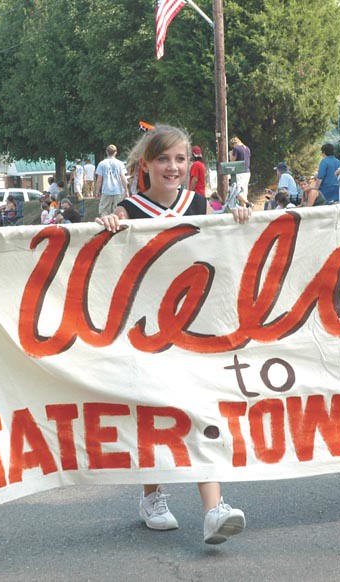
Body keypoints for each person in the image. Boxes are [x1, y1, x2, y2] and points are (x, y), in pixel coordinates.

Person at [97, 125, 251, 545]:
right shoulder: (129, 209)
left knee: (203, 408)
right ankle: (151, 495)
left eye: (180, 159)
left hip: (193, 324)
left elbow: (220, 243)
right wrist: (109, 223)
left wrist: (236, 219)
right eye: (163, 159)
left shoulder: (200, 203)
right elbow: (104, 252)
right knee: (152, 415)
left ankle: (213, 508)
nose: (173, 167)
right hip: (142, 329)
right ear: (145, 164)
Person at [95, 144, 129, 217]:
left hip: (106, 190)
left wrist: (97, 191)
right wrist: (126, 190)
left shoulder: (102, 163)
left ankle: (106, 226)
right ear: (116, 152)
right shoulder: (120, 163)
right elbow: (123, 178)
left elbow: (99, 180)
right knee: (117, 211)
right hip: (118, 191)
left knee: (104, 210)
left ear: (107, 152)